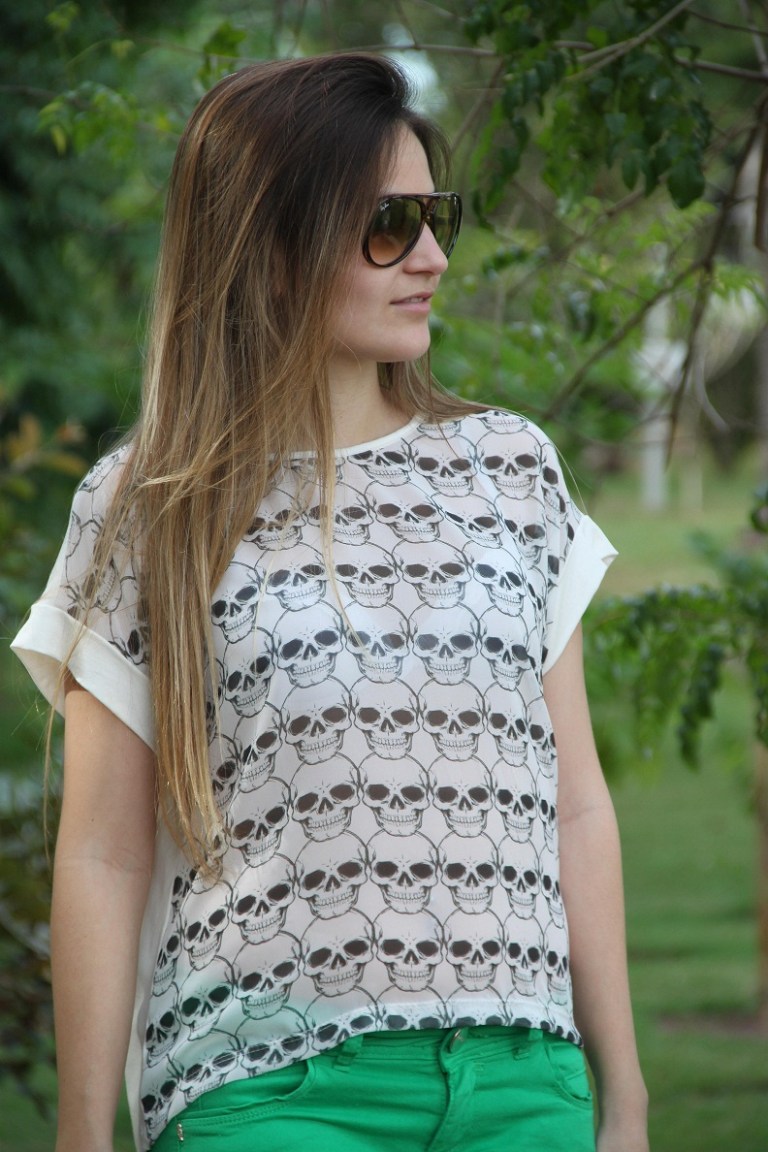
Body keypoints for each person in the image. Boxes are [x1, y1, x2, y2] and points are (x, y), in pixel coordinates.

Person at [11, 52, 649, 1152]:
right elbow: (104, 855)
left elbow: (577, 803)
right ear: (269, 247)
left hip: (526, 1086)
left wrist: (623, 1097)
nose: (433, 257)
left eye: (437, 218)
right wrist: (81, 1134)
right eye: (390, 225)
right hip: (272, 1091)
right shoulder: (147, 507)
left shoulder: (513, 470)